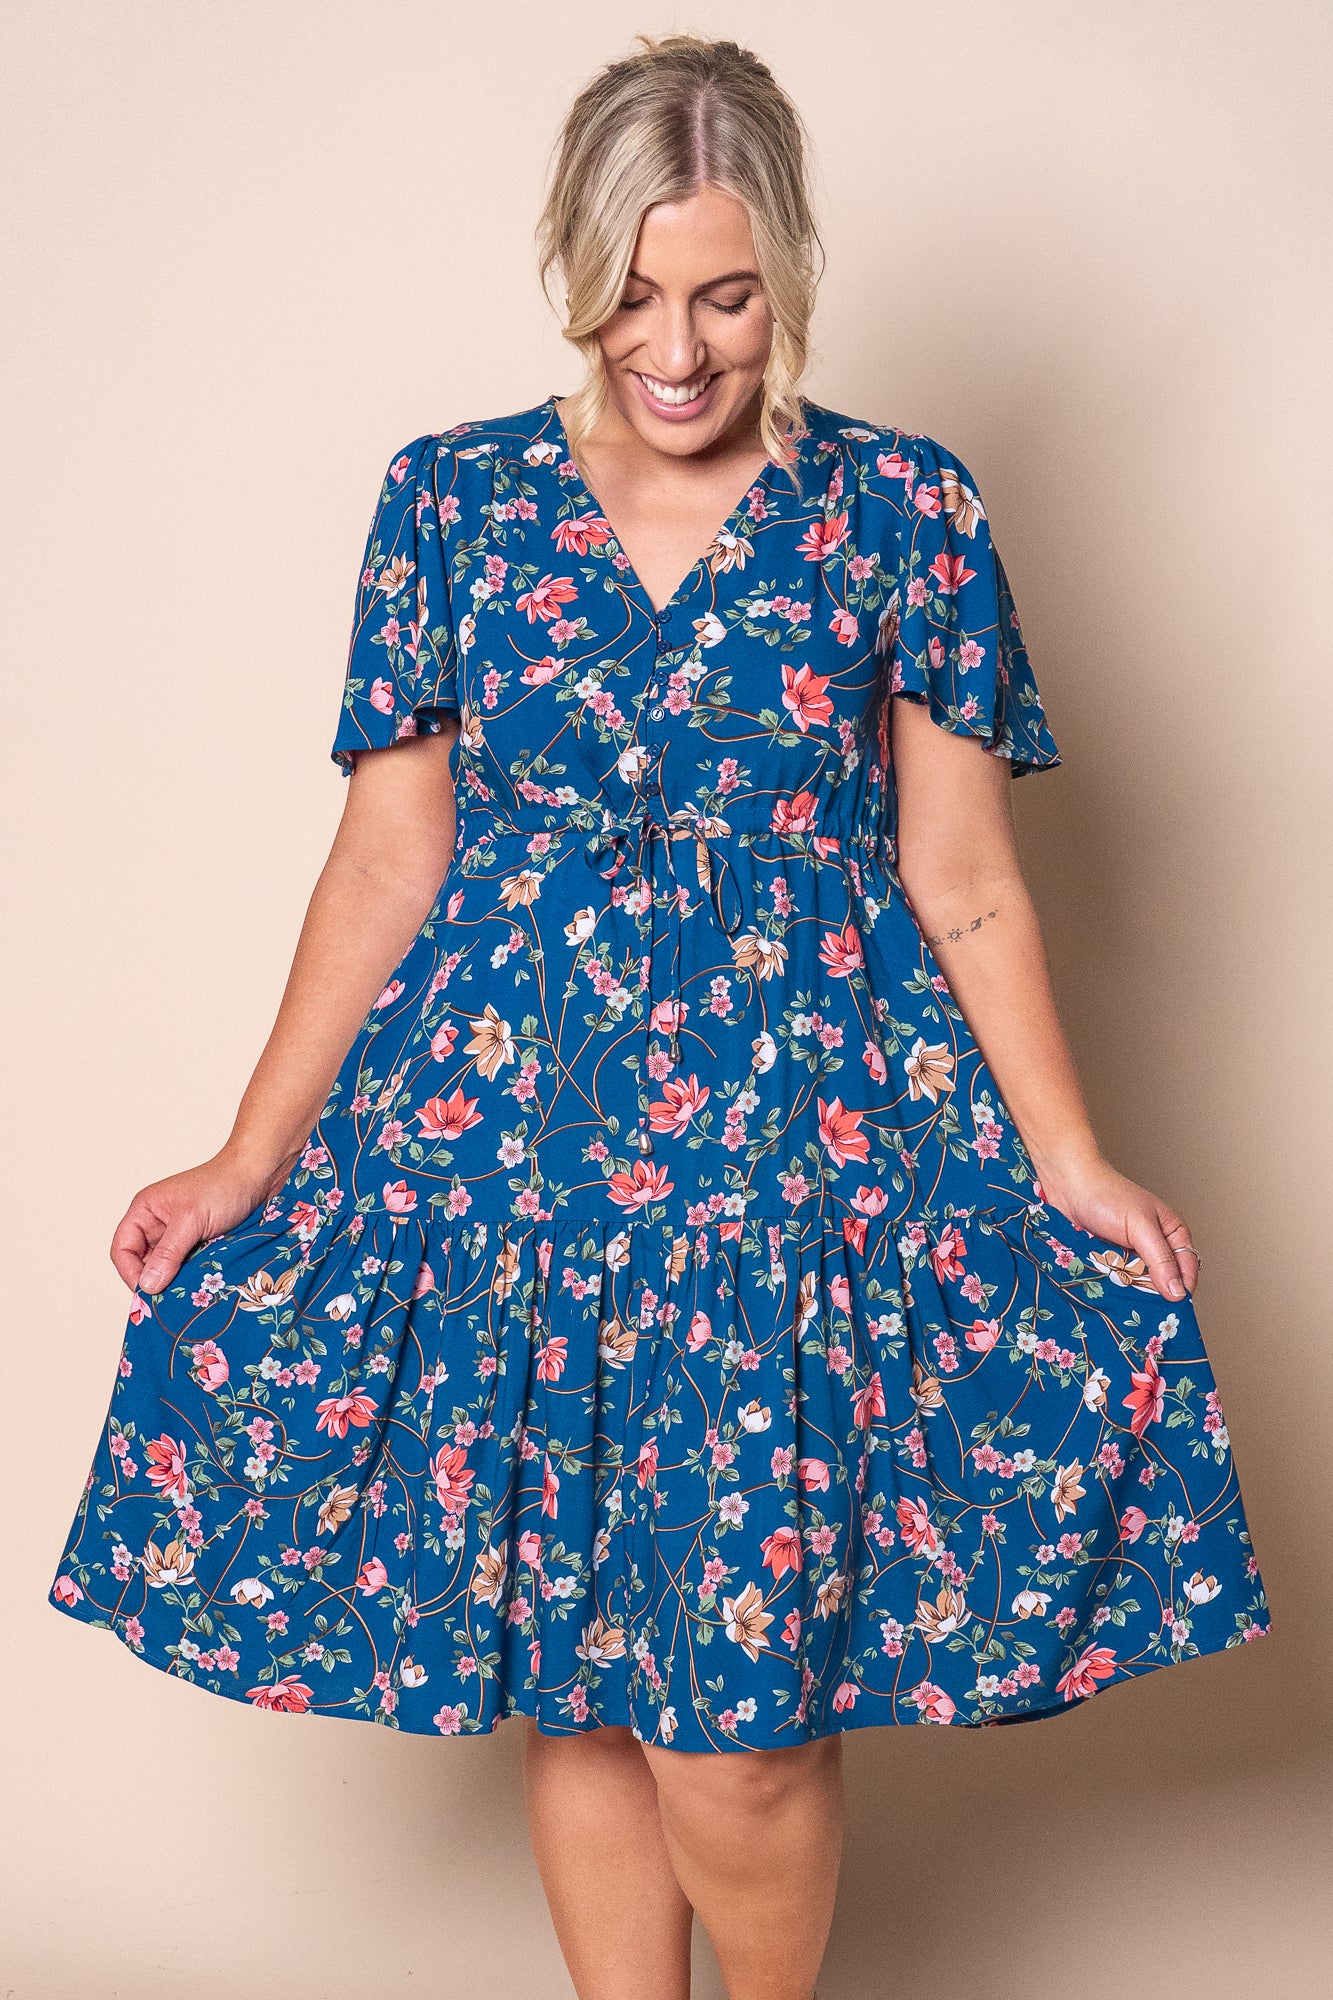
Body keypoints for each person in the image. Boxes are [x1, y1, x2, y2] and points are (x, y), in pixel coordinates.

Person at [49, 32, 1271, 2000]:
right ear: (571, 264)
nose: (678, 347)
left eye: (724, 295)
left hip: (794, 1160)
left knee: (742, 1723)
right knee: (589, 1684)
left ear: (787, 270)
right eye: (631, 294)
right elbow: (386, 860)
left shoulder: (904, 509)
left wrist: (1070, 1159)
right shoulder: (450, 501)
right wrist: (245, 1158)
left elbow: (963, 873)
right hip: (510, 1146)